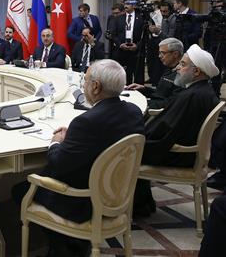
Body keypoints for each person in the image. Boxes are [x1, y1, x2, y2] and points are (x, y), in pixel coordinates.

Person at [13, 59, 145, 257]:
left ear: (96, 86)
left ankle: (64, 247)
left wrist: (57, 142)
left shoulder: (86, 122)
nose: (83, 85)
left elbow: (58, 165)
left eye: (85, 80)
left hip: (84, 202)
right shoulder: (133, 112)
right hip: (119, 198)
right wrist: (75, 139)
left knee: (20, 190)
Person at [134, 44, 220, 217]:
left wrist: (139, 135)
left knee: (124, 148)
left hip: (181, 155)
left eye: (183, 64)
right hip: (192, 153)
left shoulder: (191, 96)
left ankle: (134, 206)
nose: (179, 69)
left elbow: (165, 131)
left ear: (196, 72)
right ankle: (142, 204)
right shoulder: (203, 91)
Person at [125, 37, 184, 109]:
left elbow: (171, 103)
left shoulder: (183, 75)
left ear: (175, 54)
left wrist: (144, 104)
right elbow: (161, 93)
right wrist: (143, 89)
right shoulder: (169, 68)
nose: (159, 56)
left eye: (162, 53)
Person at [110, 0, 144, 84]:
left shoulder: (141, 18)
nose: (125, 6)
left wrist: (137, 46)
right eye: (125, 4)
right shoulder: (118, 18)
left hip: (136, 51)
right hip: (122, 51)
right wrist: (120, 44)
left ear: (134, 5)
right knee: (123, 77)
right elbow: (113, 34)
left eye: (128, 4)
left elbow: (144, 36)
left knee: (138, 77)